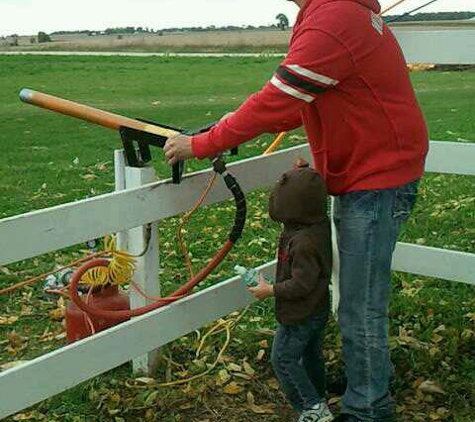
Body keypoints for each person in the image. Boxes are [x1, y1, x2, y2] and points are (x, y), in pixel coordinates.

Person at [164, 0, 428, 420]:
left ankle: (369, 409)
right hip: (372, 169)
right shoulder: (332, 13)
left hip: (376, 176)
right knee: (359, 298)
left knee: (360, 305)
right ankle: (369, 381)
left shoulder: (333, 19)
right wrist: (236, 122)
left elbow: (280, 98)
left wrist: (201, 144)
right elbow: (298, 99)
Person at [249, 161, 333, 422]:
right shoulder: (315, 226)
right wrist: (302, 174)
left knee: (283, 359)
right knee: (311, 355)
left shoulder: (303, 242)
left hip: (301, 313)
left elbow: (302, 284)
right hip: (316, 308)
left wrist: (270, 290)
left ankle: (312, 408)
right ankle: (319, 396)